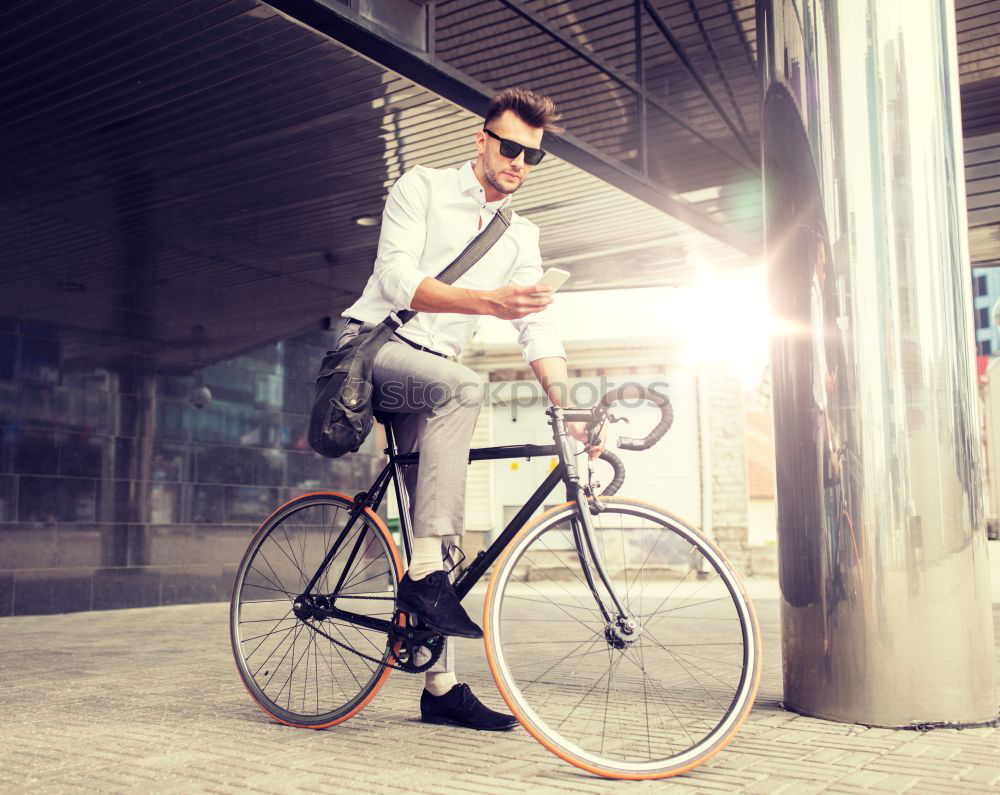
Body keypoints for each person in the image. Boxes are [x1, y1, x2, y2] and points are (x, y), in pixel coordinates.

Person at [337, 87, 606, 730]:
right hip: (375, 349)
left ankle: (439, 686)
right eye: (509, 146)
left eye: (531, 157)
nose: (517, 162)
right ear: (482, 139)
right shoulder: (422, 187)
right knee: (464, 386)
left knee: (441, 530)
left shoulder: (523, 235)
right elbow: (399, 280)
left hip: (428, 379)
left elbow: (538, 331)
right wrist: (489, 304)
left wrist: (568, 407)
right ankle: (423, 573)